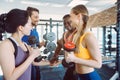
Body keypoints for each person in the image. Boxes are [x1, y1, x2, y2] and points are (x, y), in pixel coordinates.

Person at [0, 9, 40, 80]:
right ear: (21, 27)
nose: (31, 27)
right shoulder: (6, 45)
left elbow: (33, 63)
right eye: (30, 24)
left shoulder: (24, 44)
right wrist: (32, 56)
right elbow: (10, 77)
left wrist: (52, 62)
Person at [65, 4, 102, 80]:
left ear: (79, 16)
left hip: (90, 77)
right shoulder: (75, 35)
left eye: (71, 16)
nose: (70, 19)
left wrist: (75, 59)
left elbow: (98, 64)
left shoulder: (88, 36)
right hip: (80, 76)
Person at [50, 14, 78, 80]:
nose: (66, 25)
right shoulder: (65, 34)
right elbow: (59, 46)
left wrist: (77, 68)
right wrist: (55, 56)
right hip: (69, 64)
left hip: (78, 65)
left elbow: (78, 51)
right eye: (64, 23)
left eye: (69, 22)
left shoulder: (78, 33)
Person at [22, 7, 45, 80]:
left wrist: (40, 45)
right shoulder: (23, 32)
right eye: (35, 17)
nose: (38, 19)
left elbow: (36, 46)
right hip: (26, 64)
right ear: (28, 18)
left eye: (38, 17)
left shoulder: (35, 31)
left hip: (35, 62)